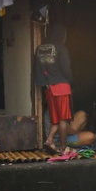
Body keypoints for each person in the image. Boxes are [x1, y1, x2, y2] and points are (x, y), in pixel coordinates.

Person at [34, 24, 74, 152]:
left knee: (55, 119)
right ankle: (63, 147)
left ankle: (49, 140)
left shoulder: (39, 49)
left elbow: (38, 70)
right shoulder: (61, 48)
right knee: (63, 120)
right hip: (61, 87)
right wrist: (71, 80)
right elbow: (66, 68)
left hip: (48, 88)